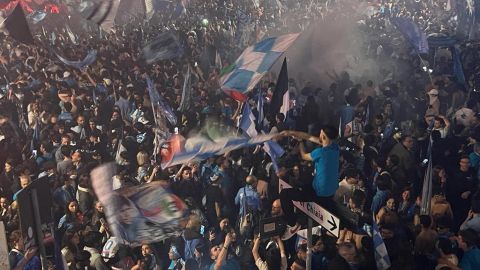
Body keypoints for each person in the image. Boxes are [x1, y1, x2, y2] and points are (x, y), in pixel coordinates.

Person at [279, 125, 340, 228]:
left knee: (285, 194)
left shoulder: (320, 152)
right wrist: (290, 132)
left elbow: (303, 155)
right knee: (303, 185)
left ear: (323, 136)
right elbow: (309, 137)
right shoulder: (334, 147)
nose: (318, 135)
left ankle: (292, 222)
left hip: (318, 193)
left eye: (320, 133)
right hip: (330, 191)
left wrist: (300, 142)